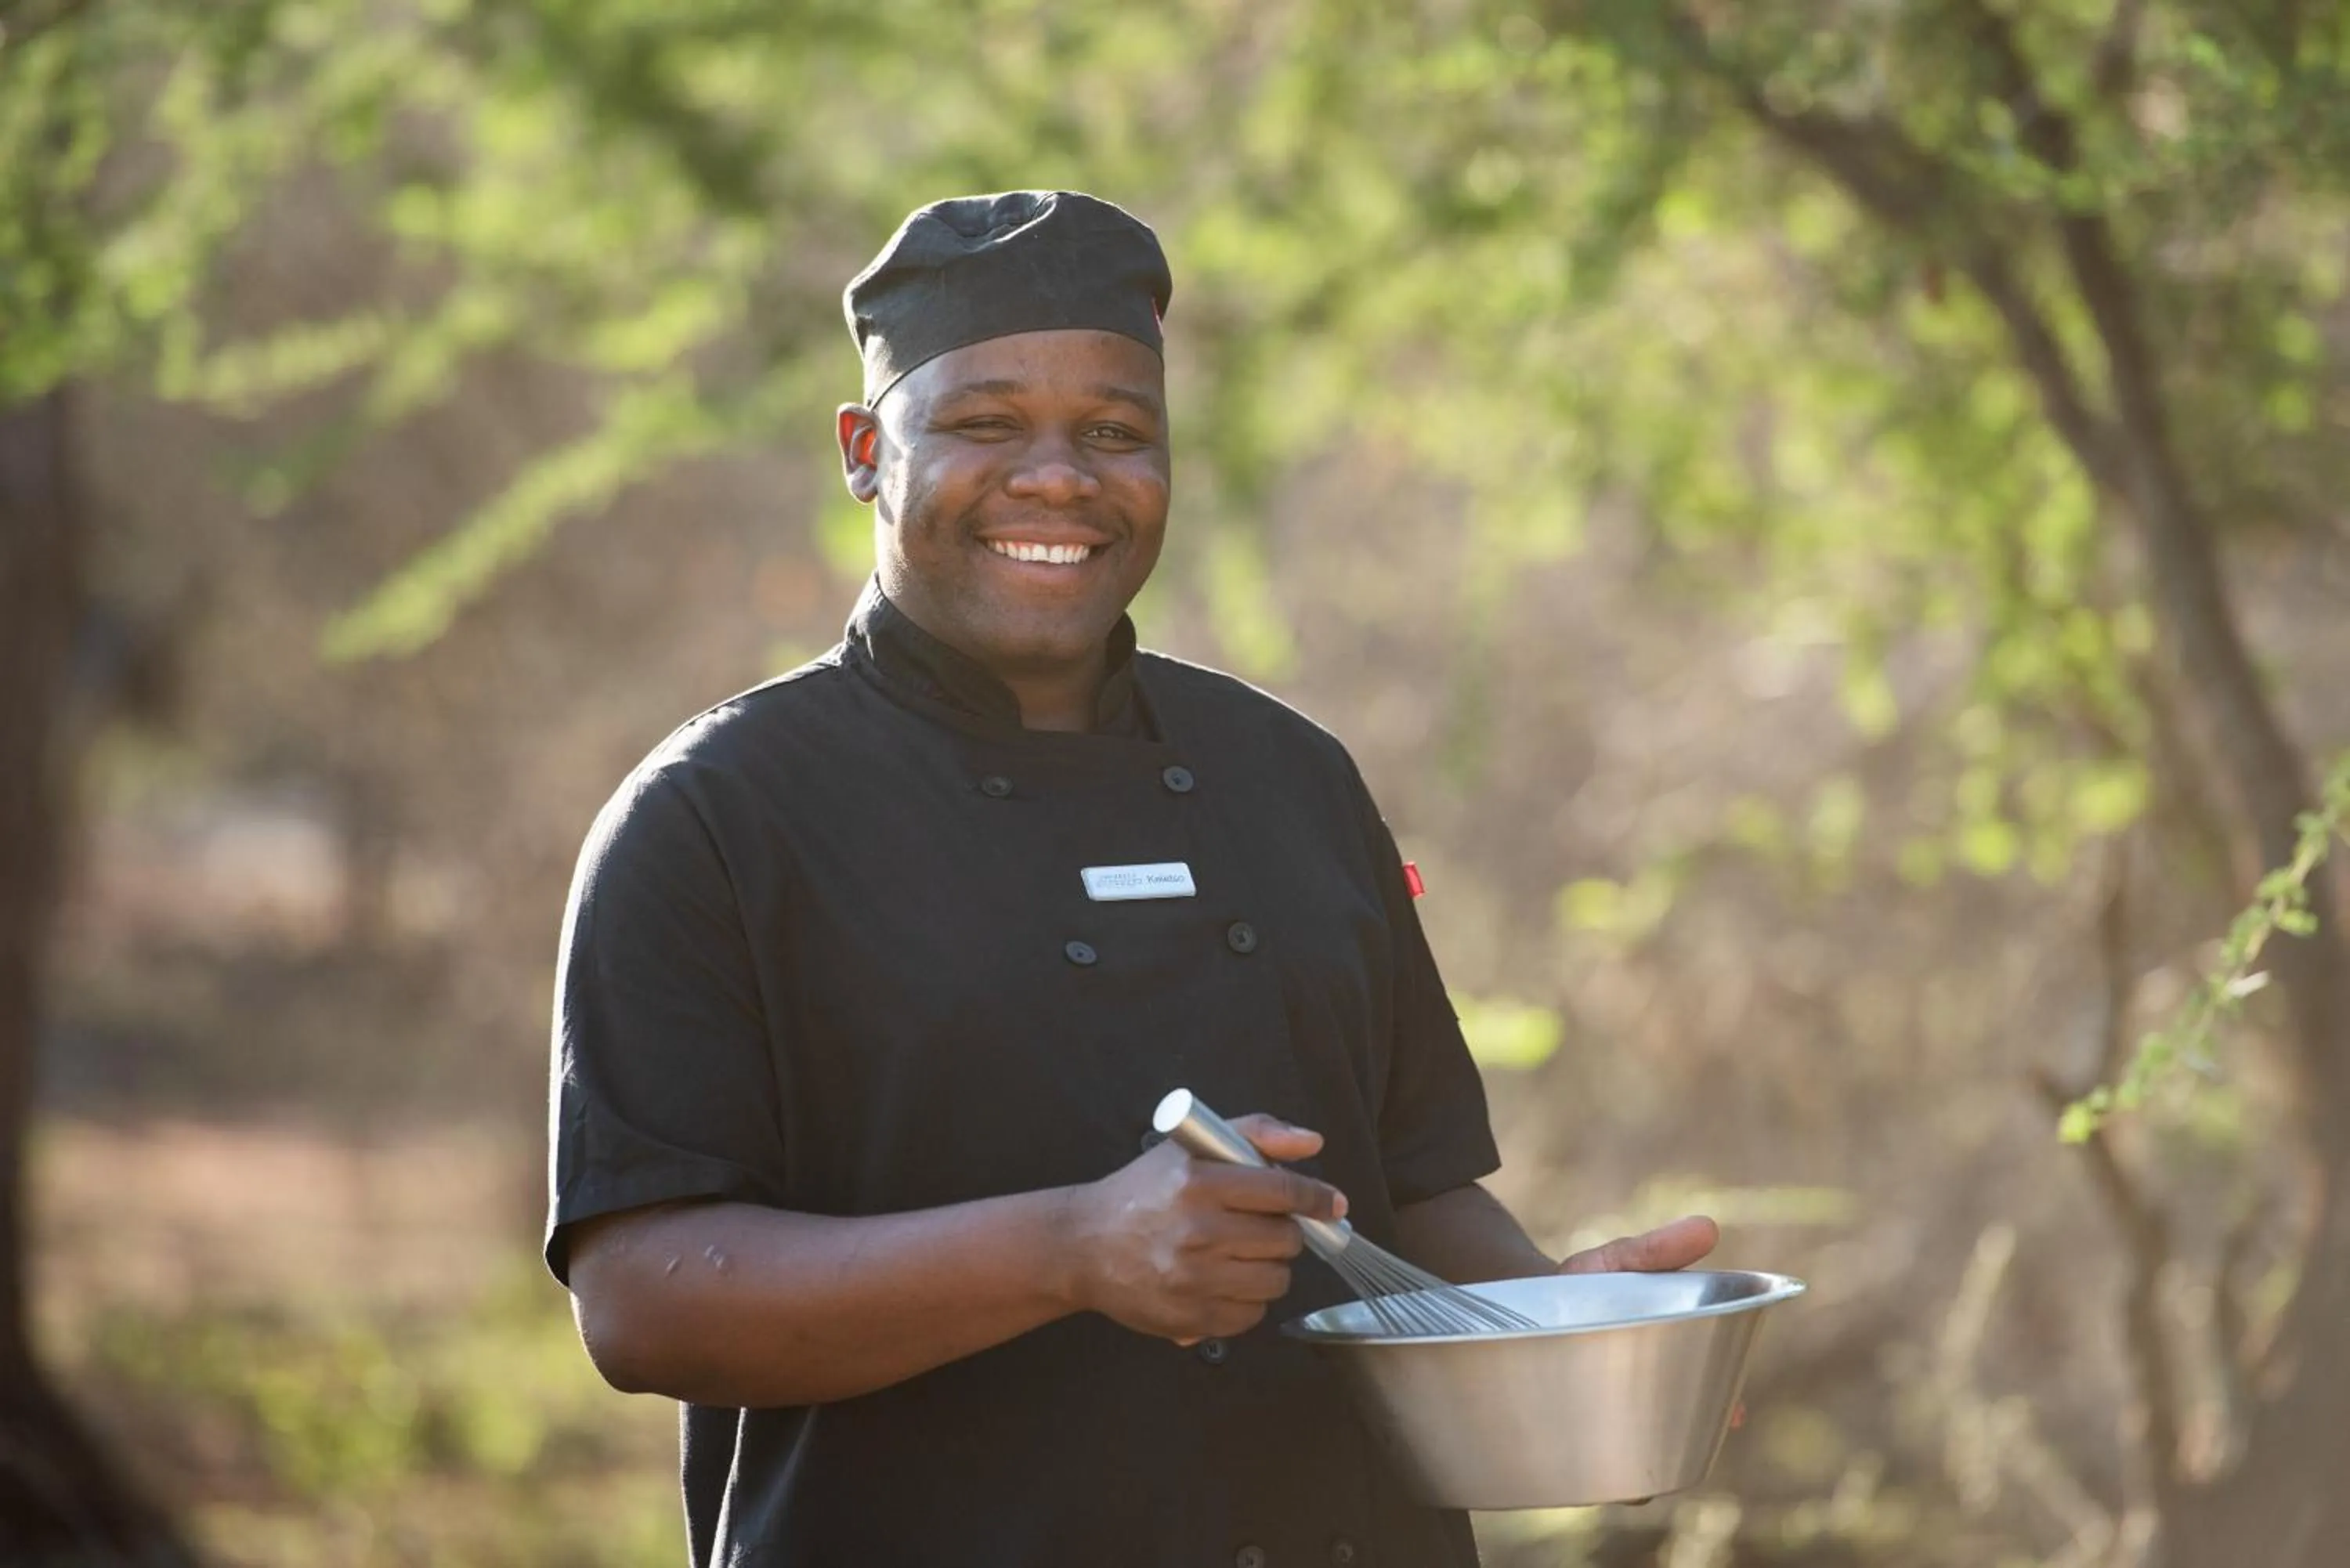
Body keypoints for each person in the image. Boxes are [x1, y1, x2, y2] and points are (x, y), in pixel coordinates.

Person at [546, 190, 1718, 1567]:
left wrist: (1557, 1339)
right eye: (986, 424)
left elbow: (1414, 1189)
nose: (1059, 477)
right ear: (866, 452)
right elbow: (641, 1304)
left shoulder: (1293, 777)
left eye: (1115, 431)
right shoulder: (717, 818)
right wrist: (1071, 1248)